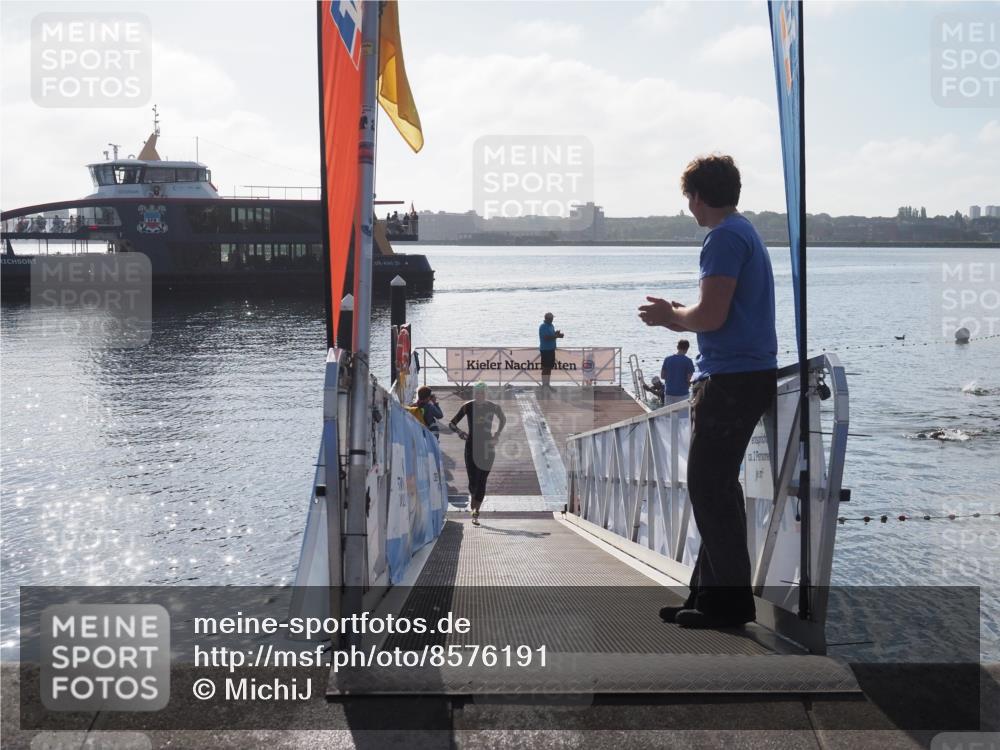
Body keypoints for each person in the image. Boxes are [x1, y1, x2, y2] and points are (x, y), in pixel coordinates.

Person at [638, 154, 777, 629]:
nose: (689, 207)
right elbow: (720, 313)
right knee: (716, 487)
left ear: (697, 196)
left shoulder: (722, 238)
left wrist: (671, 316)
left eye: (689, 198)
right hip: (744, 375)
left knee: (709, 487)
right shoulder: (743, 231)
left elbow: (712, 317)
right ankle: (707, 596)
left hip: (731, 379)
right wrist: (680, 315)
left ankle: (730, 605)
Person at [448, 382, 506, 525]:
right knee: (473, 480)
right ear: (475, 393)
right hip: (471, 446)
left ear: (486, 393)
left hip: (487, 446)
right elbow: (452, 423)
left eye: (482, 393)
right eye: (477, 393)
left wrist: (497, 434)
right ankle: (474, 505)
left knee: (482, 479)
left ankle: (475, 511)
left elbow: (503, 419)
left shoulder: (493, 407)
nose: (480, 395)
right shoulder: (467, 406)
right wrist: (459, 432)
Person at [661, 339, 695, 406]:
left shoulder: (667, 359)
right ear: (687, 349)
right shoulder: (688, 361)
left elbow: (662, 376)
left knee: (668, 412)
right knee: (683, 412)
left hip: (669, 392)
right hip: (682, 393)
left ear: (677, 347)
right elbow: (689, 379)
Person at [537, 312, 564, 392]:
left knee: (549, 368)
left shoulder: (551, 326)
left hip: (551, 349)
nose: (552, 320)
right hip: (545, 350)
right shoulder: (543, 326)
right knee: (545, 368)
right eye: (551, 318)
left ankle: (547, 384)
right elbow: (546, 337)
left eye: (552, 318)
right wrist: (556, 336)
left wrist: (556, 334)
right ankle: (544, 385)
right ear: (547, 319)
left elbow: (551, 336)